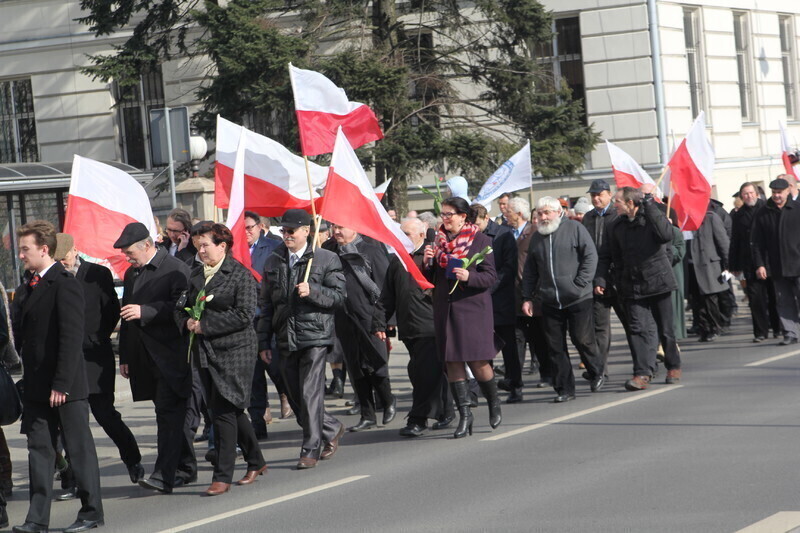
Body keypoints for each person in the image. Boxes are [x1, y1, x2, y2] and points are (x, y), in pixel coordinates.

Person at [12, 221, 104, 533]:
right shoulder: (28, 286)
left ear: (44, 249)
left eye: (25, 249)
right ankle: (37, 519)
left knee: (79, 450)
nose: (20, 255)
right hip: (37, 385)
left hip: (66, 385)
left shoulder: (65, 283)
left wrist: (62, 383)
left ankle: (91, 512)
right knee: (39, 452)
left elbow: (70, 337)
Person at [177, 222, 267, 496]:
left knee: (224, 411)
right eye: (197, 246)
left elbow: (244, 314)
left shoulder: (240, 275)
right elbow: (180, 307)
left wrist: (205, 324)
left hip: (235, 351)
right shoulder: (195, 275)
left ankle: (222, 475)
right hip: (204, 351)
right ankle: (256, 460)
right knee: (226, 409)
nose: (201, 251)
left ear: (222, 246)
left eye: (205, 245)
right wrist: (187, 322)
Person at [55, 234, 143, 495]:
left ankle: (133, 459)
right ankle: (72, 479)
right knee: (71, 423)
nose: (63, 263)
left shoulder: (97, 274)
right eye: (58, 260)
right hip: (67, 360)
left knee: (105, 414)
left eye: (65, 257)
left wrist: (98, 337)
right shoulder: (53, 278)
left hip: (94, 356)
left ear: (75, 250)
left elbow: (111, 310)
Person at [258, 209, 346, 469]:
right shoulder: (274, 261)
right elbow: (266, 305)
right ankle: (331, 427)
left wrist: (314, 291)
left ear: (306, 231)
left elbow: (339, 297)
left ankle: (310, 448)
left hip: (314, 336)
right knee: (296, 397)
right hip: (285, 336)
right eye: (282, 231)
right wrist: (263, 341)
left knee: (309, 393)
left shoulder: (325, 259)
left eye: (291, 231)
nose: (286, 235)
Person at [115, 222, 197, 494]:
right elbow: (127, 316)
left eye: (130, 252)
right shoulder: (131, 274)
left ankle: (164, 475)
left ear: (147, 246)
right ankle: (186, 467)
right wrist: (124, 355)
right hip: (144, 358)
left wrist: (147, 311)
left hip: (171, 355)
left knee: (168, 414)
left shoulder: (176, 269)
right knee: (169, 414)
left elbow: (182, 308)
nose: (127, 257)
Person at [423, 197, 502, 438]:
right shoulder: (438, 241)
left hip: (472, 309)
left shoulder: (481, 240)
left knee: (478, 362)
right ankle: (465, 415)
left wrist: (470, 276)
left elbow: (490, 277)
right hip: (445, 307)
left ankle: (493, 402)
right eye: (443, 214)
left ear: (463, 216)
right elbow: (431, 278)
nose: (444, 219)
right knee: (452, 362)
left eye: (449, 214)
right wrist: (427, 262)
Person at [521, 197, 605, 402]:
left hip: (578, 297)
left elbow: (590, 256)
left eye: (547, 212)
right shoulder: (537, 238)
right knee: (555, 347)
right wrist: (527, 297)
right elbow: (530, 270)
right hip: (549, 300)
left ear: (559, 212)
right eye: (540, 213)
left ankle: (596, 371)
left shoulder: (575, 229)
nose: (543, 217)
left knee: (582, 339)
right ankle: (564, 389)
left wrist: (580, 283)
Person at [599, 186, 681, 390]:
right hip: (631, 284)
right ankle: (642, 373)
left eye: (617, 202)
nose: (614, 205)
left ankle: (673, 365)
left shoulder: (652, 218)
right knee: (637, 329)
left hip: (658, 281)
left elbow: (666, 235)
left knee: (665, 329)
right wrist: (607, 279)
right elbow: (610, 255)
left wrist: (651, 205)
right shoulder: (616, 226)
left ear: (630, 203)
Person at [382, 218, 452, 437]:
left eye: (408, 234)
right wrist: (379, 322)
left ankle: (418, 419)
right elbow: (388, 297)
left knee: (423, 373)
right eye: (401, 233)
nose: (404, 238)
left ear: (422, 235)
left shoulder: (433, 258)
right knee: (424, 371)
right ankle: (446, 410)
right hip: (408, 327)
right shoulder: (397, 261)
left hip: (430, 325)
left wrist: (433, 264)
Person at [324, 224, 397, 432]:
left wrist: (384, 319)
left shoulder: (371, 250)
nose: (336, 231)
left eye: (341, 227)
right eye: (333, 227)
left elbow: (384, 288)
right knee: (356, 367)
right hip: (343, 317)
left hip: (370, 316)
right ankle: (368, 414)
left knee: (376, 361)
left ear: (354, 228)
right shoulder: (329, 253)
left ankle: (388, 399)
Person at [244, 211, 289, 437]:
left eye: (249, 228)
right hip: (246, 322)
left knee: (277, 368)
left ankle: (288, 396)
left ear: (260, 227)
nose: (245, 233)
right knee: (252, 376)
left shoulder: (273, 247)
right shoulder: (233, 251)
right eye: (241, 229)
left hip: (268, 320)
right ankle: (258, 424)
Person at [472, 203, 521, 403]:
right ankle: (487, 389)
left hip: (501, 300)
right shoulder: (471, 237)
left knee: (509, 348)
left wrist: (487, 286)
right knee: (484, 348)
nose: (473, 228)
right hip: (480, 302)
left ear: (486, 218)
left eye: (476, 224)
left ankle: (515, 385)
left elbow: (509, 268)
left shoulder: (503, 235)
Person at [583, 178, 627, 379]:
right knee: (599, 327)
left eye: (599, 194)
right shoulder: (588, 218)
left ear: (609, 194)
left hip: (618, 278)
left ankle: (644, 364)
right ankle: (600, 369)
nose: (596, 198)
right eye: (593, 195)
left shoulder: (617, 215)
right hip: (596, 279)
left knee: (631, 323)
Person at [751, 177, 800, 345]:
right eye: (774, 193)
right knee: (783, 301)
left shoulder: (797, 209)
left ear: (788, 191)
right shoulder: (763, 213)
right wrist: (760, 264)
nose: (777, 196)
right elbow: (757, 242)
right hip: (777, 266)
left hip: (798, 264)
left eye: (780, 192)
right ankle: (790, 332)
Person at [730, 182, 780, 342]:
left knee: (773, 297)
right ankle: (760, 332)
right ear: (741, 196)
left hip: (770, 260)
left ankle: (777, 328)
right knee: (756, 299)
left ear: (757, 194)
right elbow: (735, 240)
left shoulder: (767, 208)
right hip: (749, 261)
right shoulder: (738, 215)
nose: (748, 196)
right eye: (745, 194)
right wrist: (734, 264)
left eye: (751, 193)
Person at [688, 206, 730, 342]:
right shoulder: (685, 221)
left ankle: (715, 327)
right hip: (691, 265)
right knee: (696, 300)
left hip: (708, 264)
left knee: (710, 299)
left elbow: (723, 242)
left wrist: (728, 264)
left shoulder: (711, 218)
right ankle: (703, 328)